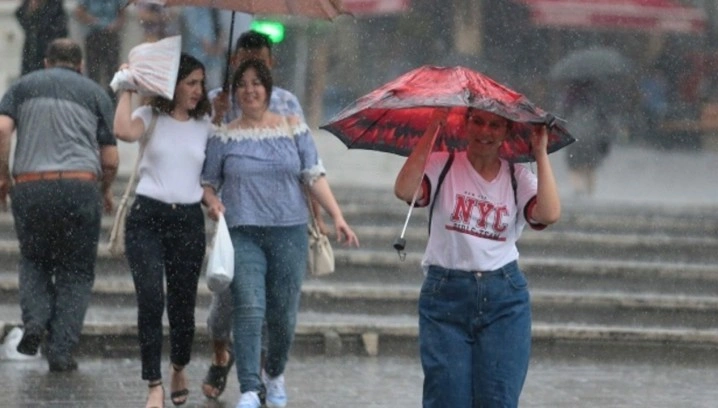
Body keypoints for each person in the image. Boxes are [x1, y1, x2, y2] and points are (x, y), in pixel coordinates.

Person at [201, 59, 359, 408]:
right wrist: (213, 203)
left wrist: (337, 217)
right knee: (249, 307)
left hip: (289, 232)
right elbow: (208, 183)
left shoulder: (293, 128)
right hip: (243, 232)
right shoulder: (223, 136)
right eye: (242, 84)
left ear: (269, 90)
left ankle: (274, 374)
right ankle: (248, 388)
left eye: (257, 83)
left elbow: (313, 175)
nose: (249, 90)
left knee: (283, 315)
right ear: (234, 92)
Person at [394, 108, 561, 407]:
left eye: (495, 125)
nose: (485, 132)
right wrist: (433, 128)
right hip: (445, 296)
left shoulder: (517, 177)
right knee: (447, 399)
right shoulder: (441, 164)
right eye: (479, 122)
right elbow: (404, 189)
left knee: (498, 399)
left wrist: (541, 153)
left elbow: (548, 214)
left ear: (507, 131)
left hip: (505, 300)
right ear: (466, 124)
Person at [0, 38, 119, 372]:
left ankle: (35, 321)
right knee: (76, 271)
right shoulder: (96, 93)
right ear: (80, 65)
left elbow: (1, 130)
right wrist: (105, 190)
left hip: (31, 186)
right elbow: (110, 159)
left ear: (46, 63)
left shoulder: (23, 87)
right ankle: (62, 352)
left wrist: (3, 177)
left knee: (34, 261)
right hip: (79, 186)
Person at [113, 53, 212, 408]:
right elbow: (122, 131)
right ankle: (153, 383)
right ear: (173, 85)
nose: (198, 90)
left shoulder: (207, 126)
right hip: (147, 219)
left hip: (188, 221)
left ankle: (179, 366)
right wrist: (126, 87)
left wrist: (213, 202)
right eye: (191, 83)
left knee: (183, 305)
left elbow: (210, 177)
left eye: (201, 83)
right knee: (151, 299)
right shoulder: (149, 116)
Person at [559, 80, 615, 197]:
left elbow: (562, 117)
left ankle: (578, 188)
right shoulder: (596, 98)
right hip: (591, 136)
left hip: (573, 135)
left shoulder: (570, 97)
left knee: (574, 165)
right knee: (590, 165)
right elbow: (603, 121)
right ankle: (590, 191)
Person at [74, 0, 125, 91]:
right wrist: (93, 21)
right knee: (93, 71)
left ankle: (112, 99)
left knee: (112, 72)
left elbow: (122, 13)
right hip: (93, 35)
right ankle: (93, 97)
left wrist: (115, 25)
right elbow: (79, 11)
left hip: (111, 36)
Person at [14, 0, 68, 75]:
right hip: (31, 51)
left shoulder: (56, 7)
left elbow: (57, 30)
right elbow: (23, 21)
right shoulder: (28, 4)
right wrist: (31, 11)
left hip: (49, 51)